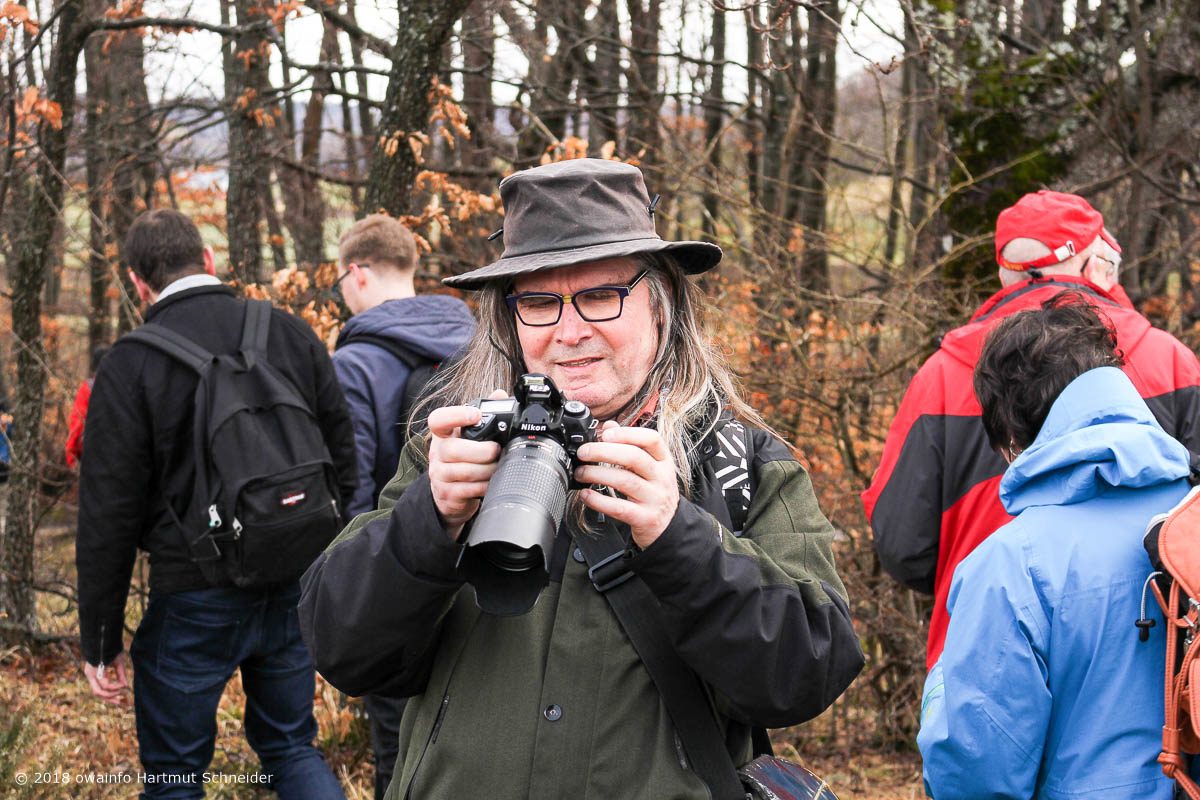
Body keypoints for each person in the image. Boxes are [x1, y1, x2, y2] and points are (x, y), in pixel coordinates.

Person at [299, 158, 864, 799]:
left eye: (601, 296)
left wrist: (681, 540)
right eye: (539, 303)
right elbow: (342, 649)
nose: (570, 332)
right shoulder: (456, 452)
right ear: (510, 319)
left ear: (662, 302)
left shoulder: (741, 464)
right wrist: (427, 522)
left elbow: (808, 673)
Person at [76, 209, 356, 799]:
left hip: (192, 593)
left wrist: (101, 641)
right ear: (207, 259)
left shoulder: (129, 363)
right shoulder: (288, 331)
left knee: (175, 777)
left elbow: (107, 515)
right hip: (292, 578)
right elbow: (342, 456)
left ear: (138, 283)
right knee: (291, 749)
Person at [862, 189, 1200, 669]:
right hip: (1147, 661)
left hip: (979, 653)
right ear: (1093, 266)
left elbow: (903, 546)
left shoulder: (940, 376)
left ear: (1005, 276)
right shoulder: (1171, 362)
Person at [917, 295, 1192, 798]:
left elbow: (974, 774)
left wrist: (940, 688)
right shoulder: (1189, 515)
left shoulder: (1012, 565)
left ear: (1010, 438)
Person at [329, 213, 476, 799]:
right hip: (489, 568)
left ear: (358, 273)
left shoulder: (355, 365)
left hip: (401, 571)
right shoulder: (478, 343)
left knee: (397, 745)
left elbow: (352, 488)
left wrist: (353, 591)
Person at [65, 344, 109, 467]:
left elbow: (77, 424)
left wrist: (71, 457)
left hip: (93, 458)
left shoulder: (87, 389)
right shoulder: (124, 388)